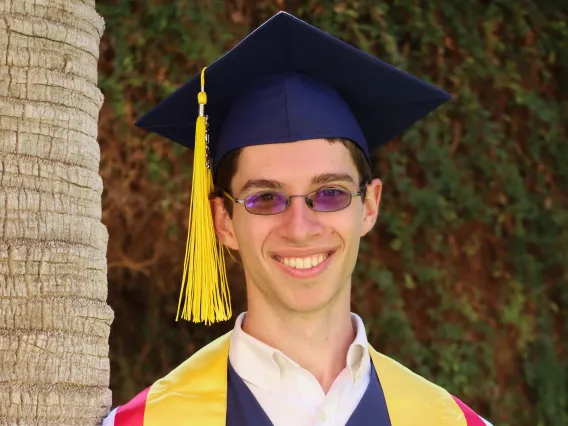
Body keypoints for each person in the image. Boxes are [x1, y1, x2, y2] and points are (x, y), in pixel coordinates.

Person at [103, 11, 493, 426]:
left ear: (371, 205)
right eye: (265, 198)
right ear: (224, 220)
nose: (300, 227)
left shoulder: (450, 421)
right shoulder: (150, 421)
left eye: (330, 194)